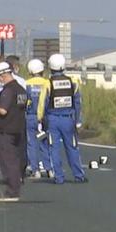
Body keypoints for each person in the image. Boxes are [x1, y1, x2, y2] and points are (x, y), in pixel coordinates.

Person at [0, 62, 28, 202]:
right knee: (15, 160)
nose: (0, 81)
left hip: (6, 130)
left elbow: (3, 110)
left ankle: (12, 192)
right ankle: (15, 188)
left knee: (7, 162)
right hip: (18, 128)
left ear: (3, 75)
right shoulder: (21, 89)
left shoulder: (8, 91)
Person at [42, 53, 85, 184]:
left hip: (53, 119)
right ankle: (79, 175)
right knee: (72, 147)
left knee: (53, 148)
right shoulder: (73, 82)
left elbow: (42, 104)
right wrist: (78, 120)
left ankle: (59, 177)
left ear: (50, 67)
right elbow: (78, 103)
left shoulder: (48, 84)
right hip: (68, 119)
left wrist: (42, 120)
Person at [25, 59, 51, 176]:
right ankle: (49, 169)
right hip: (46, 117)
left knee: (31, 143)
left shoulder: (27, 83)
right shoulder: (47, 83)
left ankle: (35, 170)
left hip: (31, 116)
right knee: (45, 142)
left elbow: (24, 101)